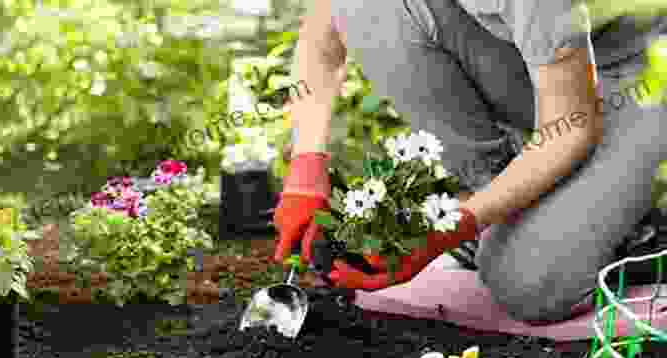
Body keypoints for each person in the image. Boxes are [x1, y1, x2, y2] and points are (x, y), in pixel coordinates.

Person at [272, 0, 667, 325]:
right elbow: (325, 29)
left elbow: (570, 129)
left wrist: (455, 226)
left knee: (528, 285)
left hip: (644, 75)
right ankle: (508, 200)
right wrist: (306, 168)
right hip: (563, 70)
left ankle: (642, 223)